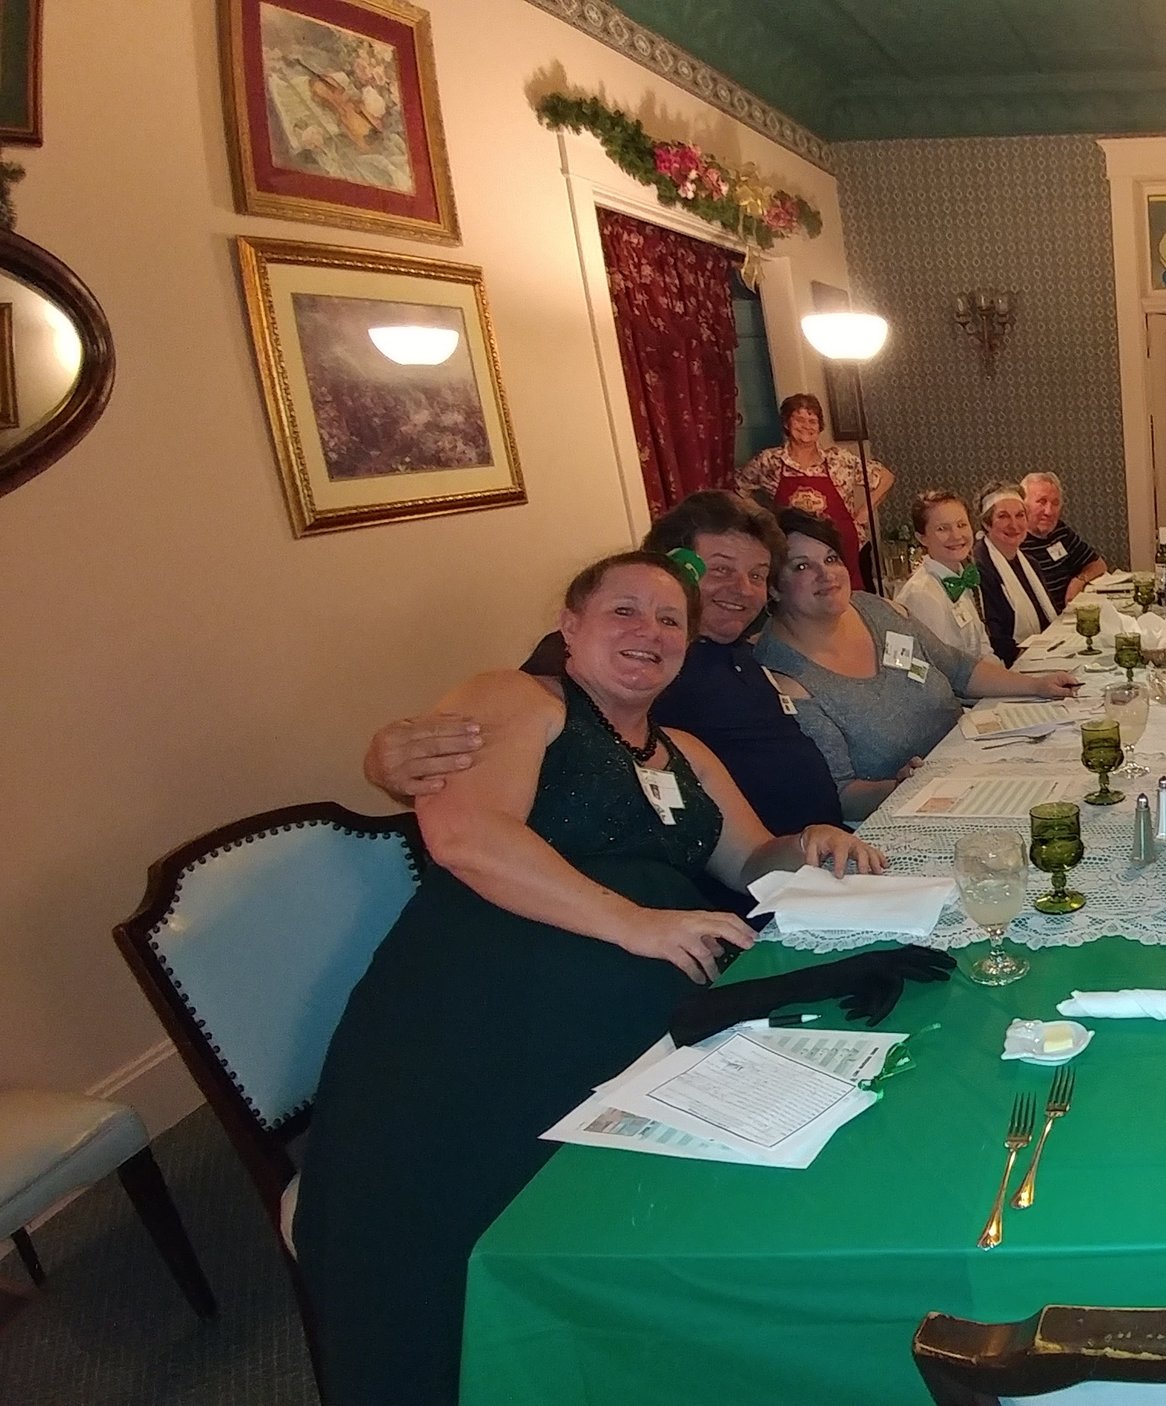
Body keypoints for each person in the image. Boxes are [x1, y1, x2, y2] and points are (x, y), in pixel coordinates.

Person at [296, 551, 886, 1405]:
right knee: (502, 1221)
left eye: (670, 620)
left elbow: (751, 854)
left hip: (645, 991)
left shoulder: (684, 748)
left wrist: (810, 841)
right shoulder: (517, 699)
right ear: (569, 628)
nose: (650, 633)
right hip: (488, 996)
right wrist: (635, 922)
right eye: (624, 612)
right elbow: (465, 837)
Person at [366, 492, 847, 845]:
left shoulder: (737, 651)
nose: (742, 589)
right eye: (719, 569)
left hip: (801, 856)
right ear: (675, 567)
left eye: (757, 576)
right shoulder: (628, 655)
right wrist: (390, 760)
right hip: (720, 883)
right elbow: (505, 724)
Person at [761, 511, 1079, 817]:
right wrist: (900, 786)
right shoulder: (784, 678)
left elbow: (957, 669)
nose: (826, 574)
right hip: (913, 812)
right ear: (772, 586)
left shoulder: (877, 610)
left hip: (974, 763)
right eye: (802, 566)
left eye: (831, 559)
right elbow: (841, 795)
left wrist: (1037, 684)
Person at [732, 393, 895, 590]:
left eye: (812, 420)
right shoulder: (770, 461)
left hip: (846, 552)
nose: (806, 426)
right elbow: (738, 487)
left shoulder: (839, 460)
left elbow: (885, 477)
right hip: (794, 555)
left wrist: (865, 511)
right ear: (786, 423)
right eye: (799, 419)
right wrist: (763, 518)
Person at [893, 489, 995, 664]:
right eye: (942, 529)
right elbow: (937, 666)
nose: (956, 536)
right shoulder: (922, 595)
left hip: (979, 682)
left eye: (961, 525)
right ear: (922, 538)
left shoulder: (962, 578)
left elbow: (982, 647)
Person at [973, 483, 1060, 664]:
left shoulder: (1030, 564)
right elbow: (994, 638)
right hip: (1012, 665)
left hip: (1046, 654)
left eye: (1020, 515)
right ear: (986, 523)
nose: (1014, 525)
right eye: (1003, 516)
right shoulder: (979, 569)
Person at [1018, 470, 1108, 607]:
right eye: (1041, 502)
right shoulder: (1016, 542)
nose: (1049, 511)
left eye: (1055, 503)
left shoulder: (1060, 531)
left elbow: (1098, 565)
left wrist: (1079, 580)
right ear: (1023, 505)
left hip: (1068, 615)